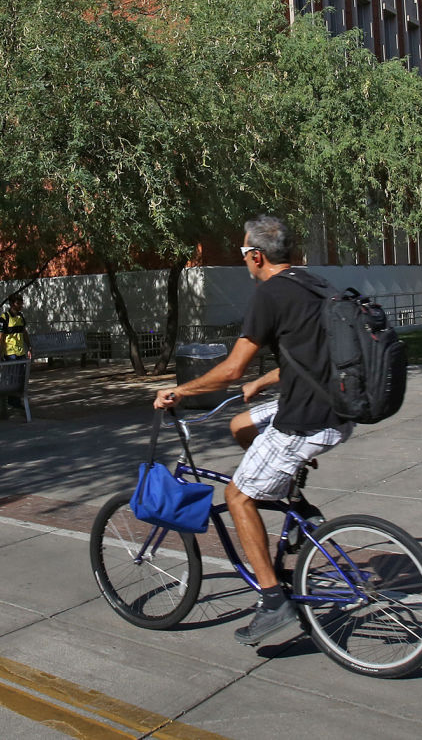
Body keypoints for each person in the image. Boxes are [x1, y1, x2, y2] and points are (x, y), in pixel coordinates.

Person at [152, 214, 352, 646]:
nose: (243, 258)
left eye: (243, 251)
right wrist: (263, 382)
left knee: (237, 496)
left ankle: (273, 600)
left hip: (306, 418)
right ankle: (299, 508)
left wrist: (179, 391)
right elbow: (314, 355)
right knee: (241, 425)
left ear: (257, 256)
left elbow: (230, 369)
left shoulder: (270, 294)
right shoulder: (313, 283)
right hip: (334, 408)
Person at [0, 297, 28, 361]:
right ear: (11, 304)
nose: (20, 306)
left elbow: (24, 332)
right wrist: (1, 351)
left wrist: (29, 346)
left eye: (21, 304)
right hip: (10, 353)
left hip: (21, 352)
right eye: (18, 303)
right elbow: (0, 336)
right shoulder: (4, 317)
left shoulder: (20, 316)